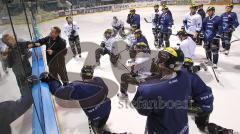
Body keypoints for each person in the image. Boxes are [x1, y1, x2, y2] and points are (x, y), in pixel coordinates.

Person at [132, 47, 214, 134]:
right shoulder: (187, 77)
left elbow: (143, 111)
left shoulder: (146, 90)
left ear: (165, 65)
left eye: (160, 59)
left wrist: (145, 84)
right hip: (183, 129)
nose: (157, 61)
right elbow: (185, 70)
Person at [40, 65, 111, 134]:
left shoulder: (77, 86)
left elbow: (58, 92)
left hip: (95, 115)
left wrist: (51, 80)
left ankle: (99, 130)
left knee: (97, 127)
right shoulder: (99, 80)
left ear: (82, 74)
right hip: (107, 108)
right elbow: (106, 91)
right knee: (101, 123)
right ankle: (101, 127)